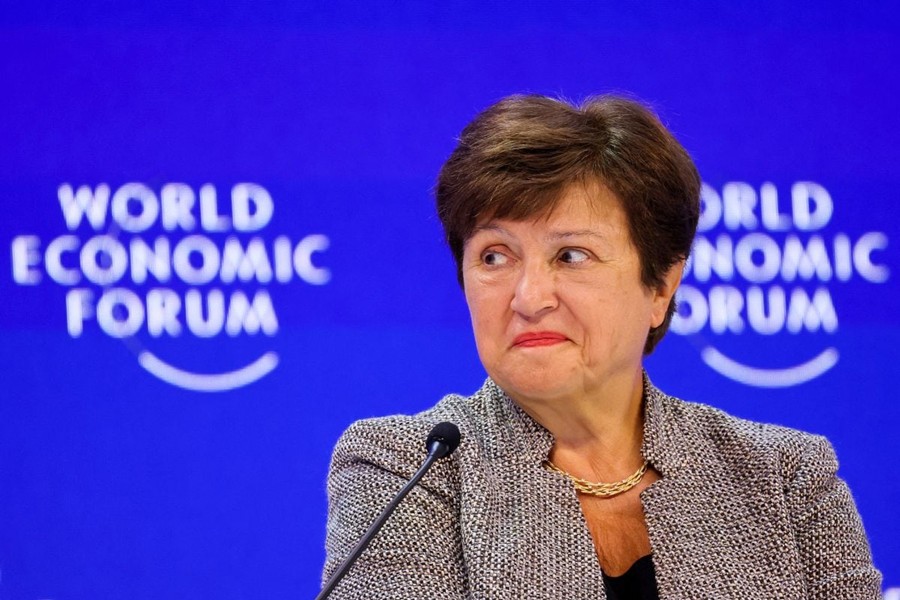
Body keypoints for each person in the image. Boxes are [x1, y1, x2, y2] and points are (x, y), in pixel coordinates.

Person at [320, 95, 881, 599]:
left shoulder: (786, 478)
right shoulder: (403, 470)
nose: (529, 297)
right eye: (494, 255)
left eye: (571, 256)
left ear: (660, 286)